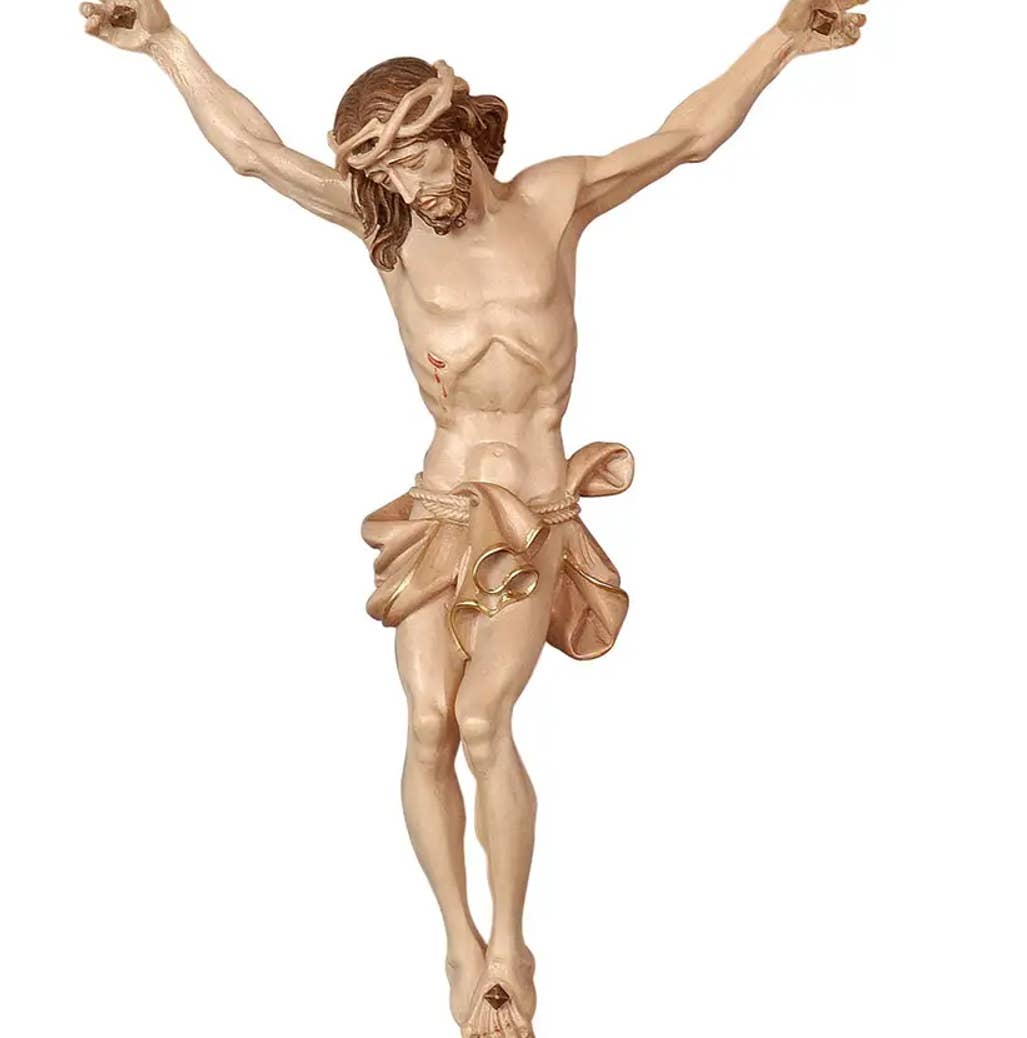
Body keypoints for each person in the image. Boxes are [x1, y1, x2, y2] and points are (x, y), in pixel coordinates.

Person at [79, 3, 868, 1035]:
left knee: (486, 719)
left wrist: (783, 42)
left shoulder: (555, 199)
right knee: (425, 723)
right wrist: (164, 44)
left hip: (531, 514)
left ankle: (512, 944)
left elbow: (687, 137)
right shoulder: (390, 233)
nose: (409, 188)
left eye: (416, 161)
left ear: (459, 134)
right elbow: (254, 154)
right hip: (442, 504)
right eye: (390, 174)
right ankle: (459, 939)